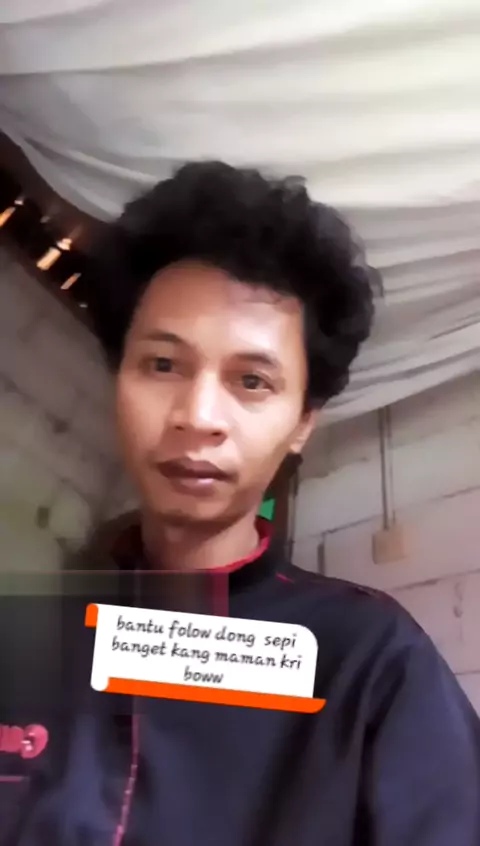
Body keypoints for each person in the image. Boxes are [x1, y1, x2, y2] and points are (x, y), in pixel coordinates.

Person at [3, 162, 480, 845]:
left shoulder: (370, 661)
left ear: (303, 422)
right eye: (163, 365)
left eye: (252, 381)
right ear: (119, 379)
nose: (198, 416)